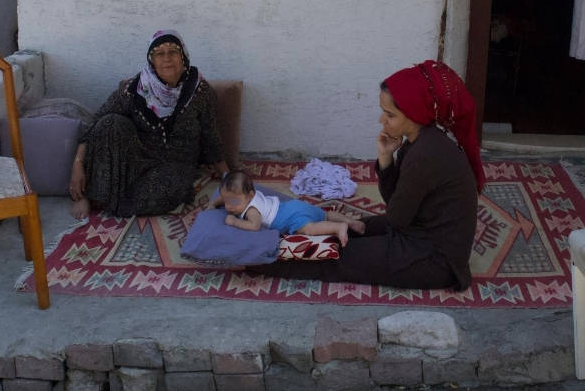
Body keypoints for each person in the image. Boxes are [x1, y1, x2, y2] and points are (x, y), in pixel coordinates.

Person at [252, 60, 482, 289]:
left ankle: (256, 258)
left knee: (334, 254)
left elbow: (396, 218)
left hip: (434, 260)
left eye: (390, 115)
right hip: (415, 230)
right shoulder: (419, 141)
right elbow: (397, 209)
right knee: (351, 228)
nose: (382, 121)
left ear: (414, 114)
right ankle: (274, 237)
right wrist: (386, 159)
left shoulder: (426, 154)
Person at [69, 30, 228, 218]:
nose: (166, 58)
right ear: (151, 60)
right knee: (109, 122)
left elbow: (210, 137)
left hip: (174, 164)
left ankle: (108, 197)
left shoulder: (200, 91)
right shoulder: (135, 88)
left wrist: (227, 176)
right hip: (137, 157)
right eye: (159, 53)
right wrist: (77, 166)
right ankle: (91, 195)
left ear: (183, 56)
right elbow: (96, 122)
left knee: (167, 190)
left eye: (173, 52)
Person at [210, 170, 365, 245]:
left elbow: (254, 226)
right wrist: (213, 204)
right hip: (293, 206)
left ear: (250, 196)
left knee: (309, 229)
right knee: (325, 214)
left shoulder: (252, 211)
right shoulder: (244, 195)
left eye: (233, 202)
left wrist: (235, 222)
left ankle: (338, 227)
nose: (228, 206)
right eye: (226, 201)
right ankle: (351, 221)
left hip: (289, 219)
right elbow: (224, 198)